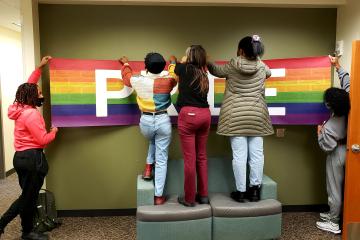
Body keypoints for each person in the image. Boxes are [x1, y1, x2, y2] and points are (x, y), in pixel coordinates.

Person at [207, 35, 273, 202]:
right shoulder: (262, 66)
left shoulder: (233, 64)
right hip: (257, 116)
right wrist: (257, 58)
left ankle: (241, 192)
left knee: (239, 156)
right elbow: (269, 73)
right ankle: (255, 191)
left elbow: (216, 71)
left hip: (235, 116)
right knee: (257, 155)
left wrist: (207, 61)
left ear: (241, 50)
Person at [0, 56, 58, 240]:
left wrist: (39, 68)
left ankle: (27, 231)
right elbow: (42, 140)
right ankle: (3, 224)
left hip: (20, 158)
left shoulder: (18, 107)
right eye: (39, 92)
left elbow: (28, 85)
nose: (41, 94)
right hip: (33, 159)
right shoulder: (32, 114)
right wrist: (54, 132)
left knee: (29, 197)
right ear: (33, 96)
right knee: (27, 198)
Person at [118, 53, 177, 205]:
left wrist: (125, 63)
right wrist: (172, 62)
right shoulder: (169, 80)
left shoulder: (137, 80)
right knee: (162, 160)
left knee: (153, 139)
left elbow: (127, 77)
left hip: (145, 121)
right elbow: (174, 73)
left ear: (146, 66)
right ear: (162, 67)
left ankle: (148, 168)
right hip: (163, 120)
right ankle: (158, 197)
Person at [172, 45, 211, 207]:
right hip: (205, 115)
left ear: (190, 57)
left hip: (189, 116)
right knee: (201, 157)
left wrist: (177, 60)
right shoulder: (204, 73)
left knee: (190, 159)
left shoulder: (184, 68)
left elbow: (174, 66)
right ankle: (203, 195)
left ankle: (189, 198)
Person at [316, 55, 350, 234]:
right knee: (342, 187)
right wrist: (337, 66)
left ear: (330, 106)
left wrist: (319, 133)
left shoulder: (329, 126)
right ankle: (332, 214)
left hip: (337, 154)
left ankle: (334, 223)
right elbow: (347, 82)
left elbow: (326, 147)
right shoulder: (352, 103)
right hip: (350, 150)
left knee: (334, 187)